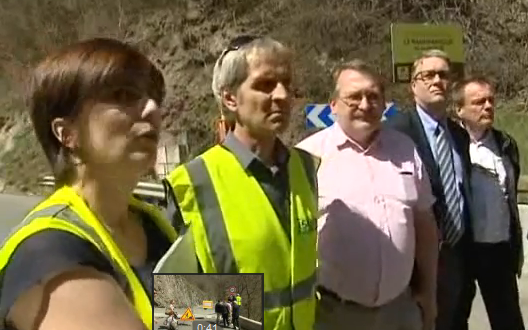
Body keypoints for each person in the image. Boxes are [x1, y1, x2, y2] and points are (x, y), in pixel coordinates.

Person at [0, 38, 177, 330]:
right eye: (123, 95)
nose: (152, 110)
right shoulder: (50, 252)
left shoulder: (152, 223)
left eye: (154, 97)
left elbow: (212, 318)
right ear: (67, 133)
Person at [160, 35, 319, 330]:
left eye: (286, 83)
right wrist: (245, 310)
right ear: (230, 98)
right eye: (265, 84)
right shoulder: (193, 183)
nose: (283, 95)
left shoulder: (306, 167)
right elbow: (173, 312)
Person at [297, 59, 438, 330]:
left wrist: (429, 294)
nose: (365, 104)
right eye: (354, 97)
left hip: (400, 310)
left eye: (373, 96)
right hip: (334, 314)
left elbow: (425, 227)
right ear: (333, 105)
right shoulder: (307, 157)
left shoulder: (405, 150)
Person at [385, 49, 474, 330]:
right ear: (413, 85)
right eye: (428, 75)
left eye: (443, 75)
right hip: (415, 261)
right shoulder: (396, 132)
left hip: (457, 256)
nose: (437, 80)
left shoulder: (460, 136)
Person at [454, 77, 525, 330]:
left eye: (490, 101)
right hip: (462, 249)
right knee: (453, 320)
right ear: (459, 109)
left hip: (499, 250)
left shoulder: (505, 144)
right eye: (478, 102)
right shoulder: (451, 144)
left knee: (508, 321)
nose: (487, 107)